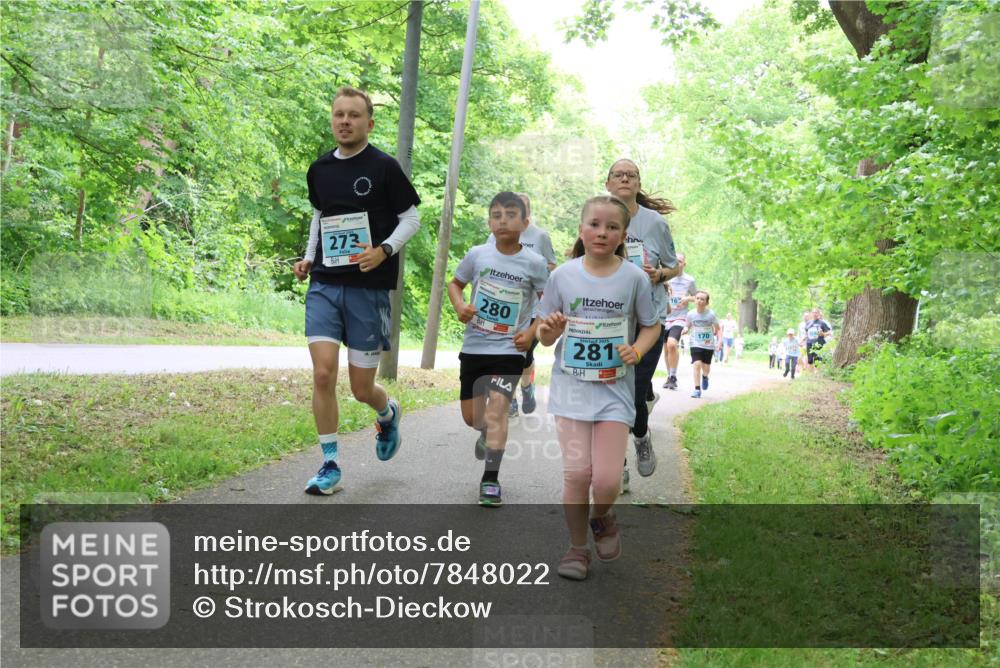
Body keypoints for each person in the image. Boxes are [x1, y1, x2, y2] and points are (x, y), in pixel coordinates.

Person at [293, 86, 421, 495]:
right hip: (325, 284)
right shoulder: (319, 169)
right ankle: (330, 464)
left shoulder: (384, 167)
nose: (344, 121)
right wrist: (309, 256)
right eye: (338, 115)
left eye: (353, 115)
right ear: (332, 120)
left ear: (369, 122)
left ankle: (386, 413)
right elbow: (319, 216)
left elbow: (411, 219)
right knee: (323, 373)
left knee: (361, 387)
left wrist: (384, 251)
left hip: (368, 289)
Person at [537, 194, 660, 580]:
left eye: (611, 227)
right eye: (594, 224)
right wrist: (550, 331)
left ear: (623, 235)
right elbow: (542, 333)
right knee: (577, 475)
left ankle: (602, 517)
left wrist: (637, 351)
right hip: (570, 390)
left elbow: (652, 325)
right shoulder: (563, 276)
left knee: (606, 480)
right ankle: (576, 550)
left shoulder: (635, 278)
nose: (601, 232)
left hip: (614, 392)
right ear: (581, 229)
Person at [449, 192, 548, 506]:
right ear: (489, 222)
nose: (502, 220)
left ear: (525, 222)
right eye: (496, 215)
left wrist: (531, 331)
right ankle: (484, 431)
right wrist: (460, 306)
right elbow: (455, 284)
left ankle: (490, 479)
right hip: (475, 345)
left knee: (498, 411)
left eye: (510, 214)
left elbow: (548, 301)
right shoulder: (478, 254)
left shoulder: (534, 262)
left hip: (510, 349)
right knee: (473, 417)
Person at [605, 159, 678, 482]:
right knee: (610, 393)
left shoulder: (654, 224)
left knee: (634, 393)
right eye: (618, 175)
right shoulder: (598, 215)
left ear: (638, 183)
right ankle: (616, 463)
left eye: (631, 175)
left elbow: (675, 267)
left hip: (649, 318)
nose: (624, 178)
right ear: (608, 183)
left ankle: (641, 437)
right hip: (609, 318)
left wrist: (659, 274)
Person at [487, 193, 557, 418]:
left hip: (532, 308)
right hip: (504, 304)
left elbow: (552, 265)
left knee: (523, 354)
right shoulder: (496, 234)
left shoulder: (540, 237)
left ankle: (527, 387)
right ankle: (510, 399)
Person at [661, 252, 697, 391]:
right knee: (666, 349)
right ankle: (670, 376)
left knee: (672, 345)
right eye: (675, 261)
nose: (677, 263)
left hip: (680, 317)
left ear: (684, 264)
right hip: (665, 317)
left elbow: (697, 296)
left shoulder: (689, 280)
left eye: (680, 261)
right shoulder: (666, 278)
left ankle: (673, 376)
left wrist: (687, 299)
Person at [683, 290, 720, 398]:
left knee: (706, 367)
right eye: (697, 298)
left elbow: (717, 328)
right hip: (695, 342)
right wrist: (685, 329)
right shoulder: (690, 314)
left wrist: (718, 339)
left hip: (708, 344)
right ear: (695, 300)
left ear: (706, 302)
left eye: (702, 299)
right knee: (697, 364)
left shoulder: (711, 314)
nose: (699, 301)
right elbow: (687, 325)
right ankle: (697, 389)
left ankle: (705, 376)